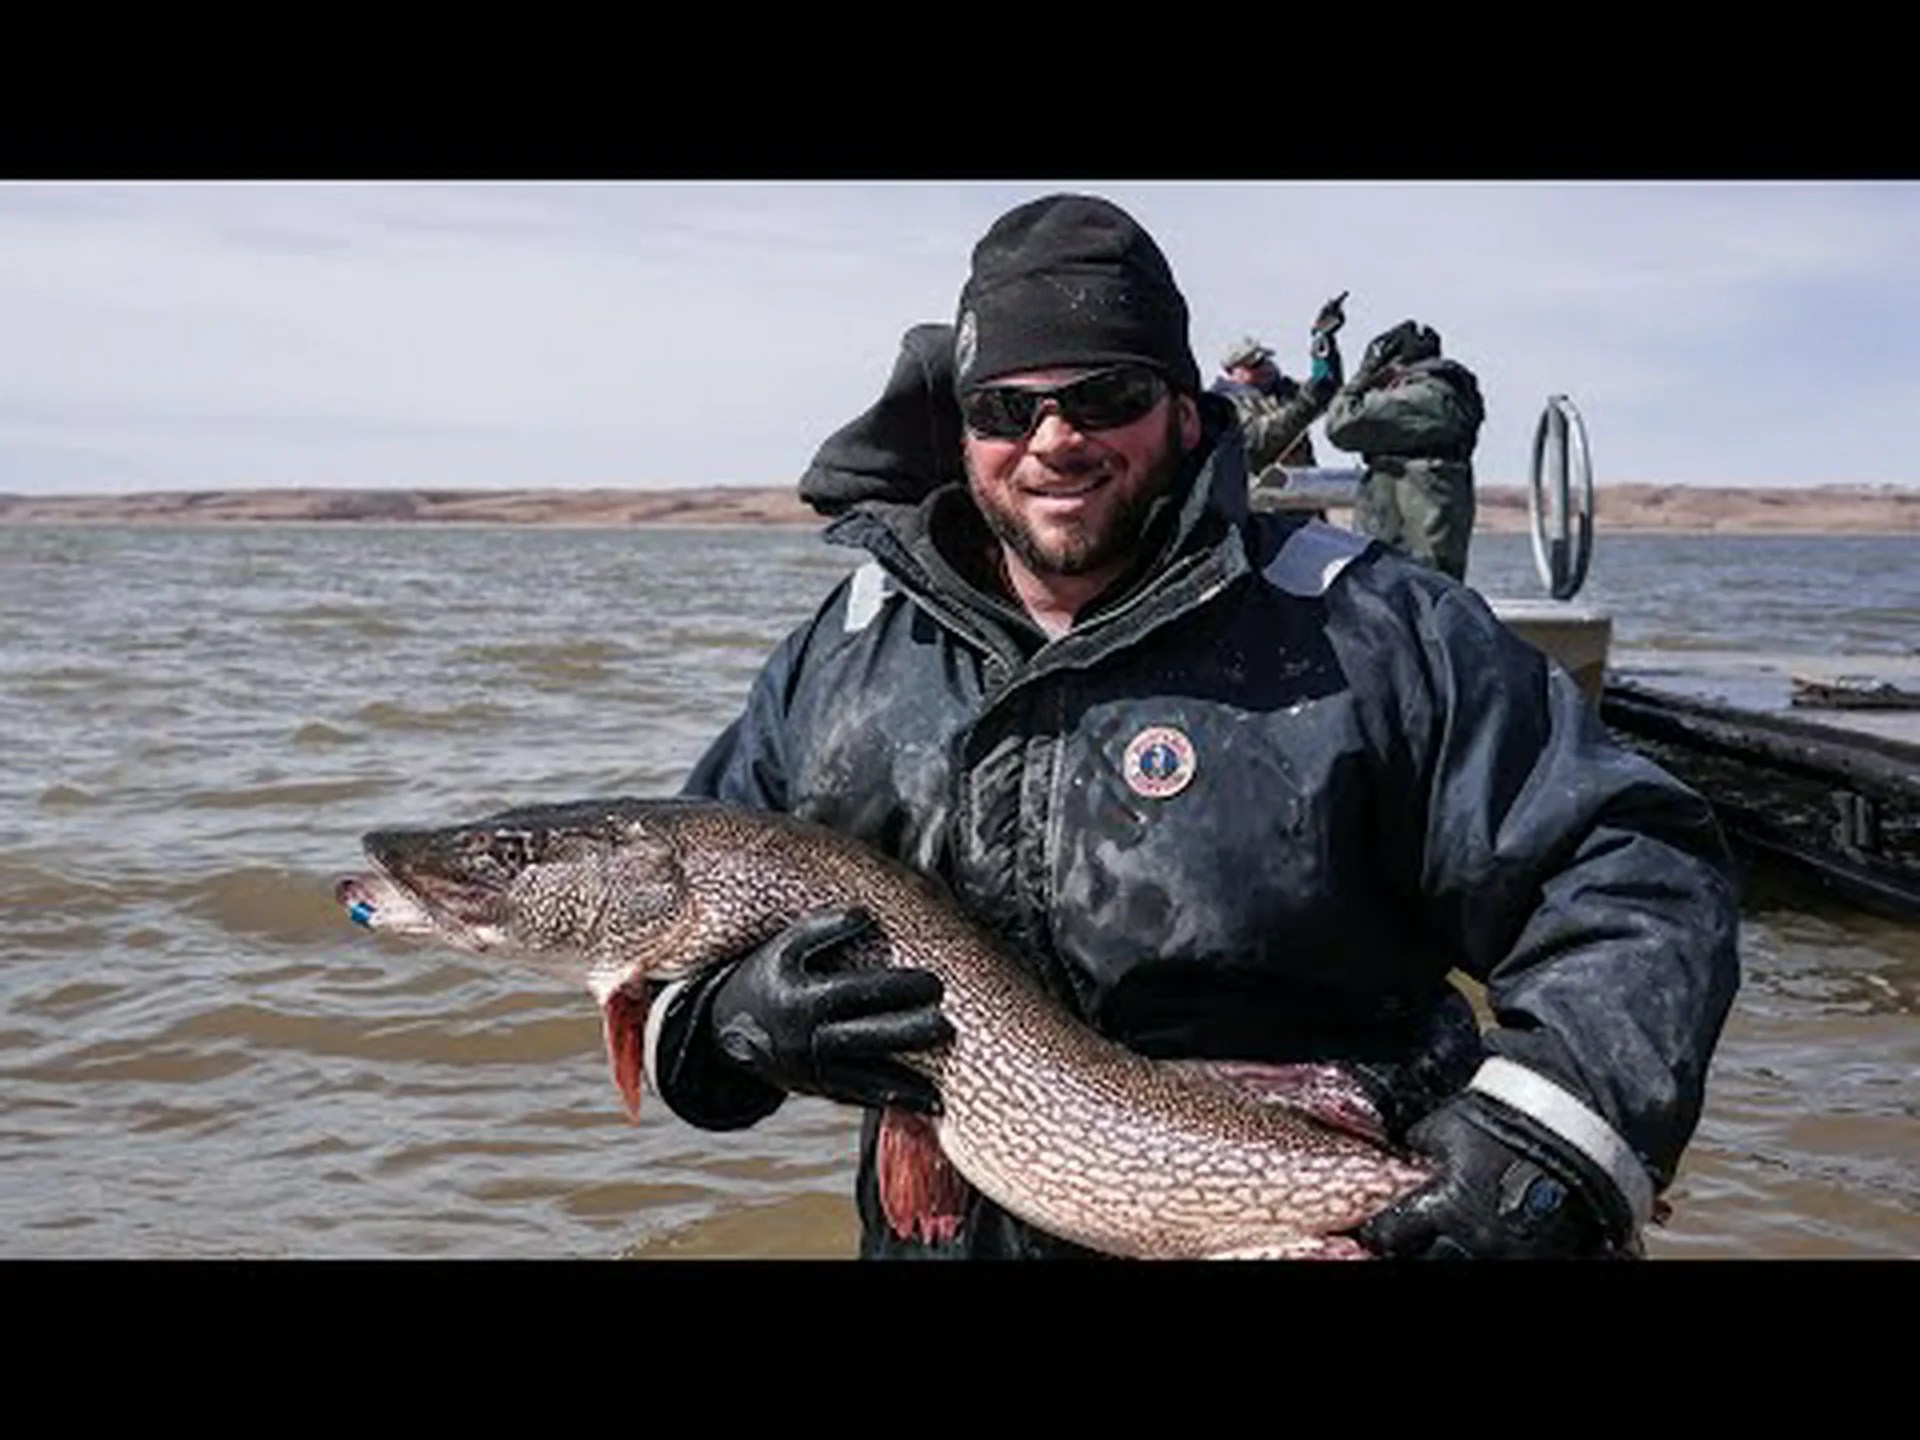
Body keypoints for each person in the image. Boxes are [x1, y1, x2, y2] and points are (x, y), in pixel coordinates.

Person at [642, 193, 1741, 1260]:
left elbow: (1630, 872)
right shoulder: (845, 652)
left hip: (1325, 1212)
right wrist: (728, 1020)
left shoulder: (1375, 629)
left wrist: (1545, 1134)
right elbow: (693, 910)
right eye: (1005, 410)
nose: (1054, 441)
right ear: (963, 426)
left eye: (1104, 394)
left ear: (1181, 404)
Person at [1325, 319, 1485, 581]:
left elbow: (1340, 424)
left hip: (1415, 535)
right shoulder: (1448, 392)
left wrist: (1363, 376)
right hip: (1418, 526)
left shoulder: (1424, 397)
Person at [1209, 292, 1348, 511]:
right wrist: (1305, 405)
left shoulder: (1285, 392)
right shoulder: (1222, 405)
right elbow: (1257, 443)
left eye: (1266, 361)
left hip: (1304, 502)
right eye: (1254, 365)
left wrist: (1324, 341)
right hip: (1258, 507)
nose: (1265, 368)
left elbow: (1326, 390)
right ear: (1231, 372)